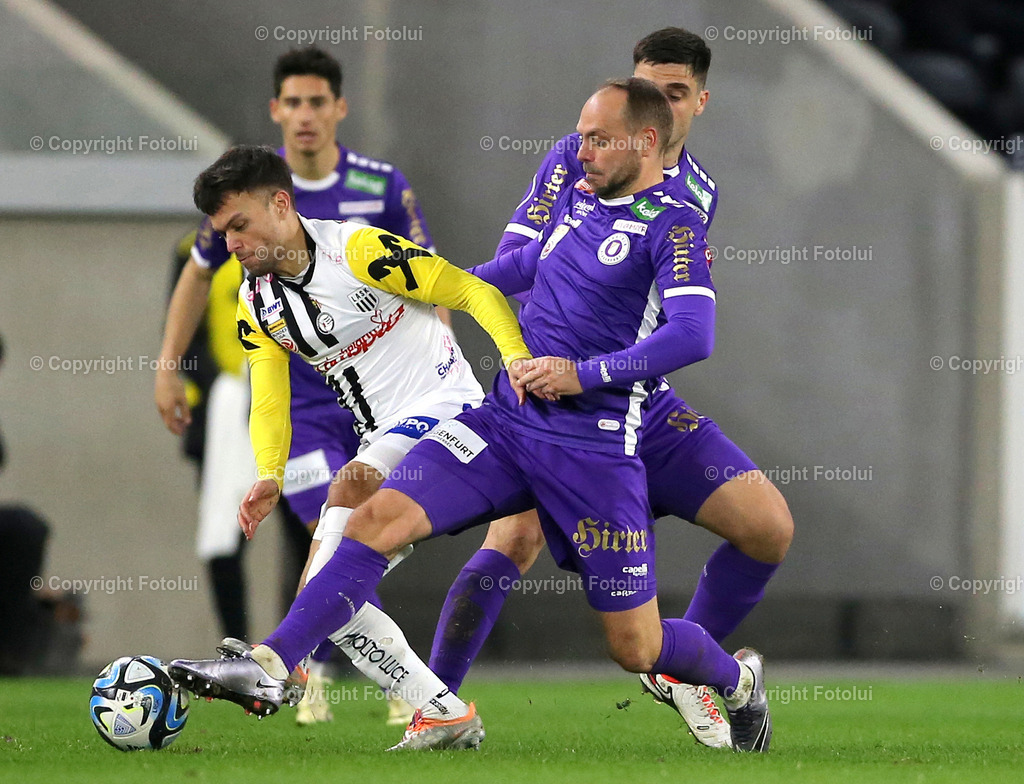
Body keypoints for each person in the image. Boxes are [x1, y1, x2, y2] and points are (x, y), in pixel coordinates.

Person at [170, 78, 772, 753]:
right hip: (507, 423)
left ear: (647, 141)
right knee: (369, 517)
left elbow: (696, 335)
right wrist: (432, 289)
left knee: (638, 646)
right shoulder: (575, 195)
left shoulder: (676, 220)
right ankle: (280, 665)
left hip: (594, 445)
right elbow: (506, 272)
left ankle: (737, 680)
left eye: (597, 138)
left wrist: (580, 372)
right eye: (580, 135)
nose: (581, 149)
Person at [428, 27, 792, 750]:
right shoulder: (576, 158)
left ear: (699, 103)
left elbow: (674, 316)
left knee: (768, 526)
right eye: (645, 86)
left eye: (676, 92)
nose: (658, 101)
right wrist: (487, 321)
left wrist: (605, 372)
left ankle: (684, 667)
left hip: (636, 399)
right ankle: (434, 702)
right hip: (548, 398)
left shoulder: (697, 194)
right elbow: (520, 262)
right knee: (516, 532)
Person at [172, 143, 531, 750]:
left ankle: (269, 664)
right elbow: (269, 397)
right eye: (222, 231)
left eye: (240, 225)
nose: (231, 243)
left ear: (281, 204)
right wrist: (268, 472)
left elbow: (471, 291)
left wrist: (516, 359)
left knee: (350, 493)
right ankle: (442, 712)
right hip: (384, 434)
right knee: (329, 597)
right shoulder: (256, 301)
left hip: (451, 411)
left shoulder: (358, 249)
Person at [154, 46, 436, 726]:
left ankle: (313, 665)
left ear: (339, 108)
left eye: (318, 102)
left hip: (379, 398)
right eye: (293, 103)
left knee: (370, 535)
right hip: (305, 404)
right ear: (275, 110)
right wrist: (168, 364)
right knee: (333, 529)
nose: (305, 116)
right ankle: (370, 680)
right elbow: (197, 271)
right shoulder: (247, 196)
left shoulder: (381, 185)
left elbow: (427, 277)